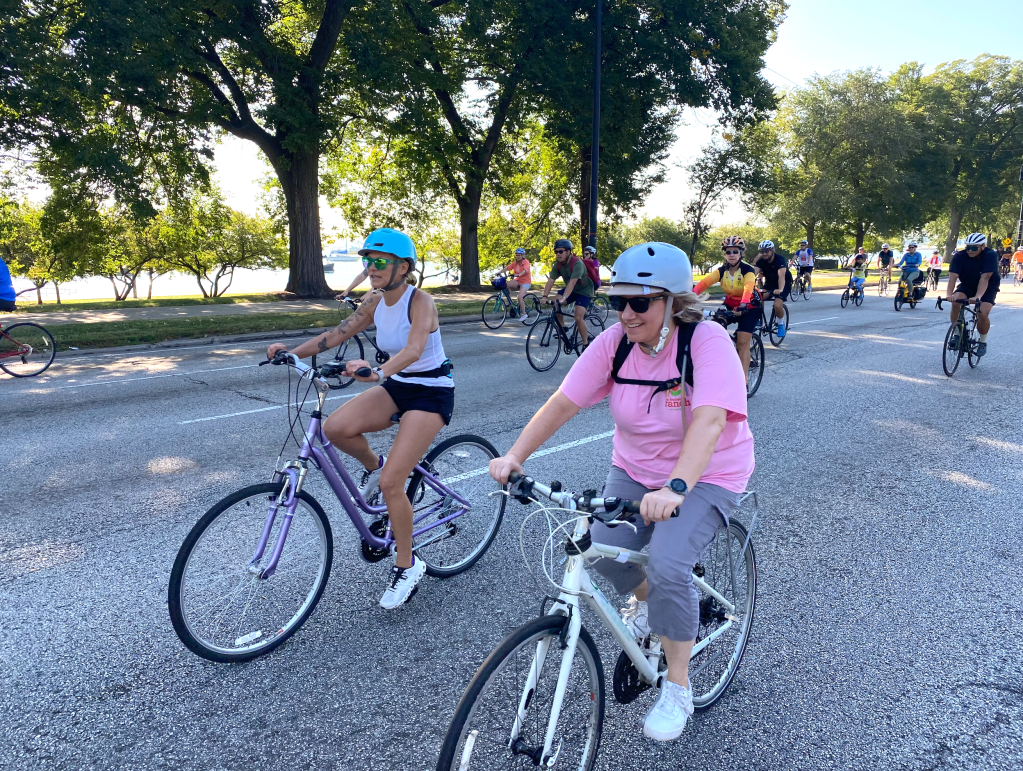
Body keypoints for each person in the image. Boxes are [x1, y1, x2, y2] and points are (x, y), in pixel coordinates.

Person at [489, 241, 754, 742]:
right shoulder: (615, 343)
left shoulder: (706, 342)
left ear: (672, 302)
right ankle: (656, 609)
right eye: (617, 301)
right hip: (634, 468)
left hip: (708, 473)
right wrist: (514, 455)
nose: (626, 313)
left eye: (639, 302)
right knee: (599, 550)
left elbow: (711, 421)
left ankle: (678, 686)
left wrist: (676, 487)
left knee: (669, 564)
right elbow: (563, 402)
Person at [266, 227, 454, 610]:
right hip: (399, 385)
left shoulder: (421, 302)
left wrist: (378, 371)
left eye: (380, 261)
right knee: (335, 428)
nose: (372, 267)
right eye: (367, 260)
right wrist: (292, 353)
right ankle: (376, 465)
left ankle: (408, 565)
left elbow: (414, 349)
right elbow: (337, 334)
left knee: (391, 484)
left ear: (404, 267)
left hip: (431, 392)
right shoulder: (374, 299)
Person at [694, 236, 760, 378]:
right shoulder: (722, 271)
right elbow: (703, 283)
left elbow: (748, 287)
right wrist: (689, 297)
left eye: (735, 251)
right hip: (730, 303)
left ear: (741, 253)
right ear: (724, 254)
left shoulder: (747, 270)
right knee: (713, 329)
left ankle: (743, 382)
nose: (731, 255)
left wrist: (744, 303)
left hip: (750, 306)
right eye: (728, 252)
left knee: (742, 342)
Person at [946, 233, 999, 357]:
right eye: (968, 247)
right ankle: (957, 334)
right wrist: (949, 294)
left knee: (982, 312)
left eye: (974, 248)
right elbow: (953, 277)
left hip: (988, 286)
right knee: (956, 302)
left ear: (983, 246)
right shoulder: (959, 256)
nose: (970, 250)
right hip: (968, 284)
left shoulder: (990, 255)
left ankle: (982, 341)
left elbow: (985, 278)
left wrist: (978, 296)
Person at [541, 238, 595, 349]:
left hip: (585, 291)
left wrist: (564, 298)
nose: (558, 254)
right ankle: (563, 327)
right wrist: (544, 296)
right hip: (572, 290)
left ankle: (585, 344)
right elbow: (551, 281)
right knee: (555, 304)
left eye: (561, 251)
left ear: (568, 251)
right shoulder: (558, 265)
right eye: (556, 252)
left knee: (578, 317)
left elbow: (572, 282)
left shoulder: (577, 263)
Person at [752, 240, 790, 338]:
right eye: (762, 251)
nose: (764, 254)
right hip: (770, 283)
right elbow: (752, 274)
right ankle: (758, 318)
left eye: (766, 251)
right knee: (757, 297)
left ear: (772, 250)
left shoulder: (780, 259)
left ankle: (780, 324)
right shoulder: (761, 261)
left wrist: (780, 289)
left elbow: (781, 275)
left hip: (783, 284)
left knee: (777, 305)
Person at [504, 247, 533, 323]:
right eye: (516, 255)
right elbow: (508, 268)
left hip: (526, 281)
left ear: (522, 255)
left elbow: (525, 270)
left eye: (519, 255)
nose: (517, 256)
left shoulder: (526, 262)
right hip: (518, 280)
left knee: (519, 297)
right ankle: (509, 301)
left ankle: (524, 314)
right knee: (506, 285)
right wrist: (498, 272)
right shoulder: (515, 262)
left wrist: (519, 274)